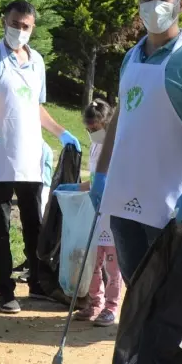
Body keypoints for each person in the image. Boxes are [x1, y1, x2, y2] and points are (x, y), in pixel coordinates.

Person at [92, 0, 182, 284]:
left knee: (174, 291)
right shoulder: (132, 57)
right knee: (136, 286)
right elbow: (121, 118)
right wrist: (100, 173)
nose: (155, 4)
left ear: (180, 4)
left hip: (169, 201)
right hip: (124, 193)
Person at [0, 0, 81, 314]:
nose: (19, 30)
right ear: (4, 22)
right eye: (14, 24)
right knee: (0, 225)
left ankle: (37, 283)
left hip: (30, 158)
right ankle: (5, 290)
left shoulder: (37, 62)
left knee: (35, 224)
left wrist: (60, 132)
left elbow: (36, 107)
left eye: (25, 26)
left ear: (32, 28)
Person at [57, 99, 122, 326]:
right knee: (92, 262)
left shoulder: (118, 146)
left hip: (113, 213)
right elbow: (96, 180)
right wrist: (77, 187)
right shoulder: (95, 147)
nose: (92, 132)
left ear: (108, 123)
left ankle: (111, 307)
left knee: (113, 266)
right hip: (96, 213)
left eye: (96, 128)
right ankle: (95, 303)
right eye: (89, 128)